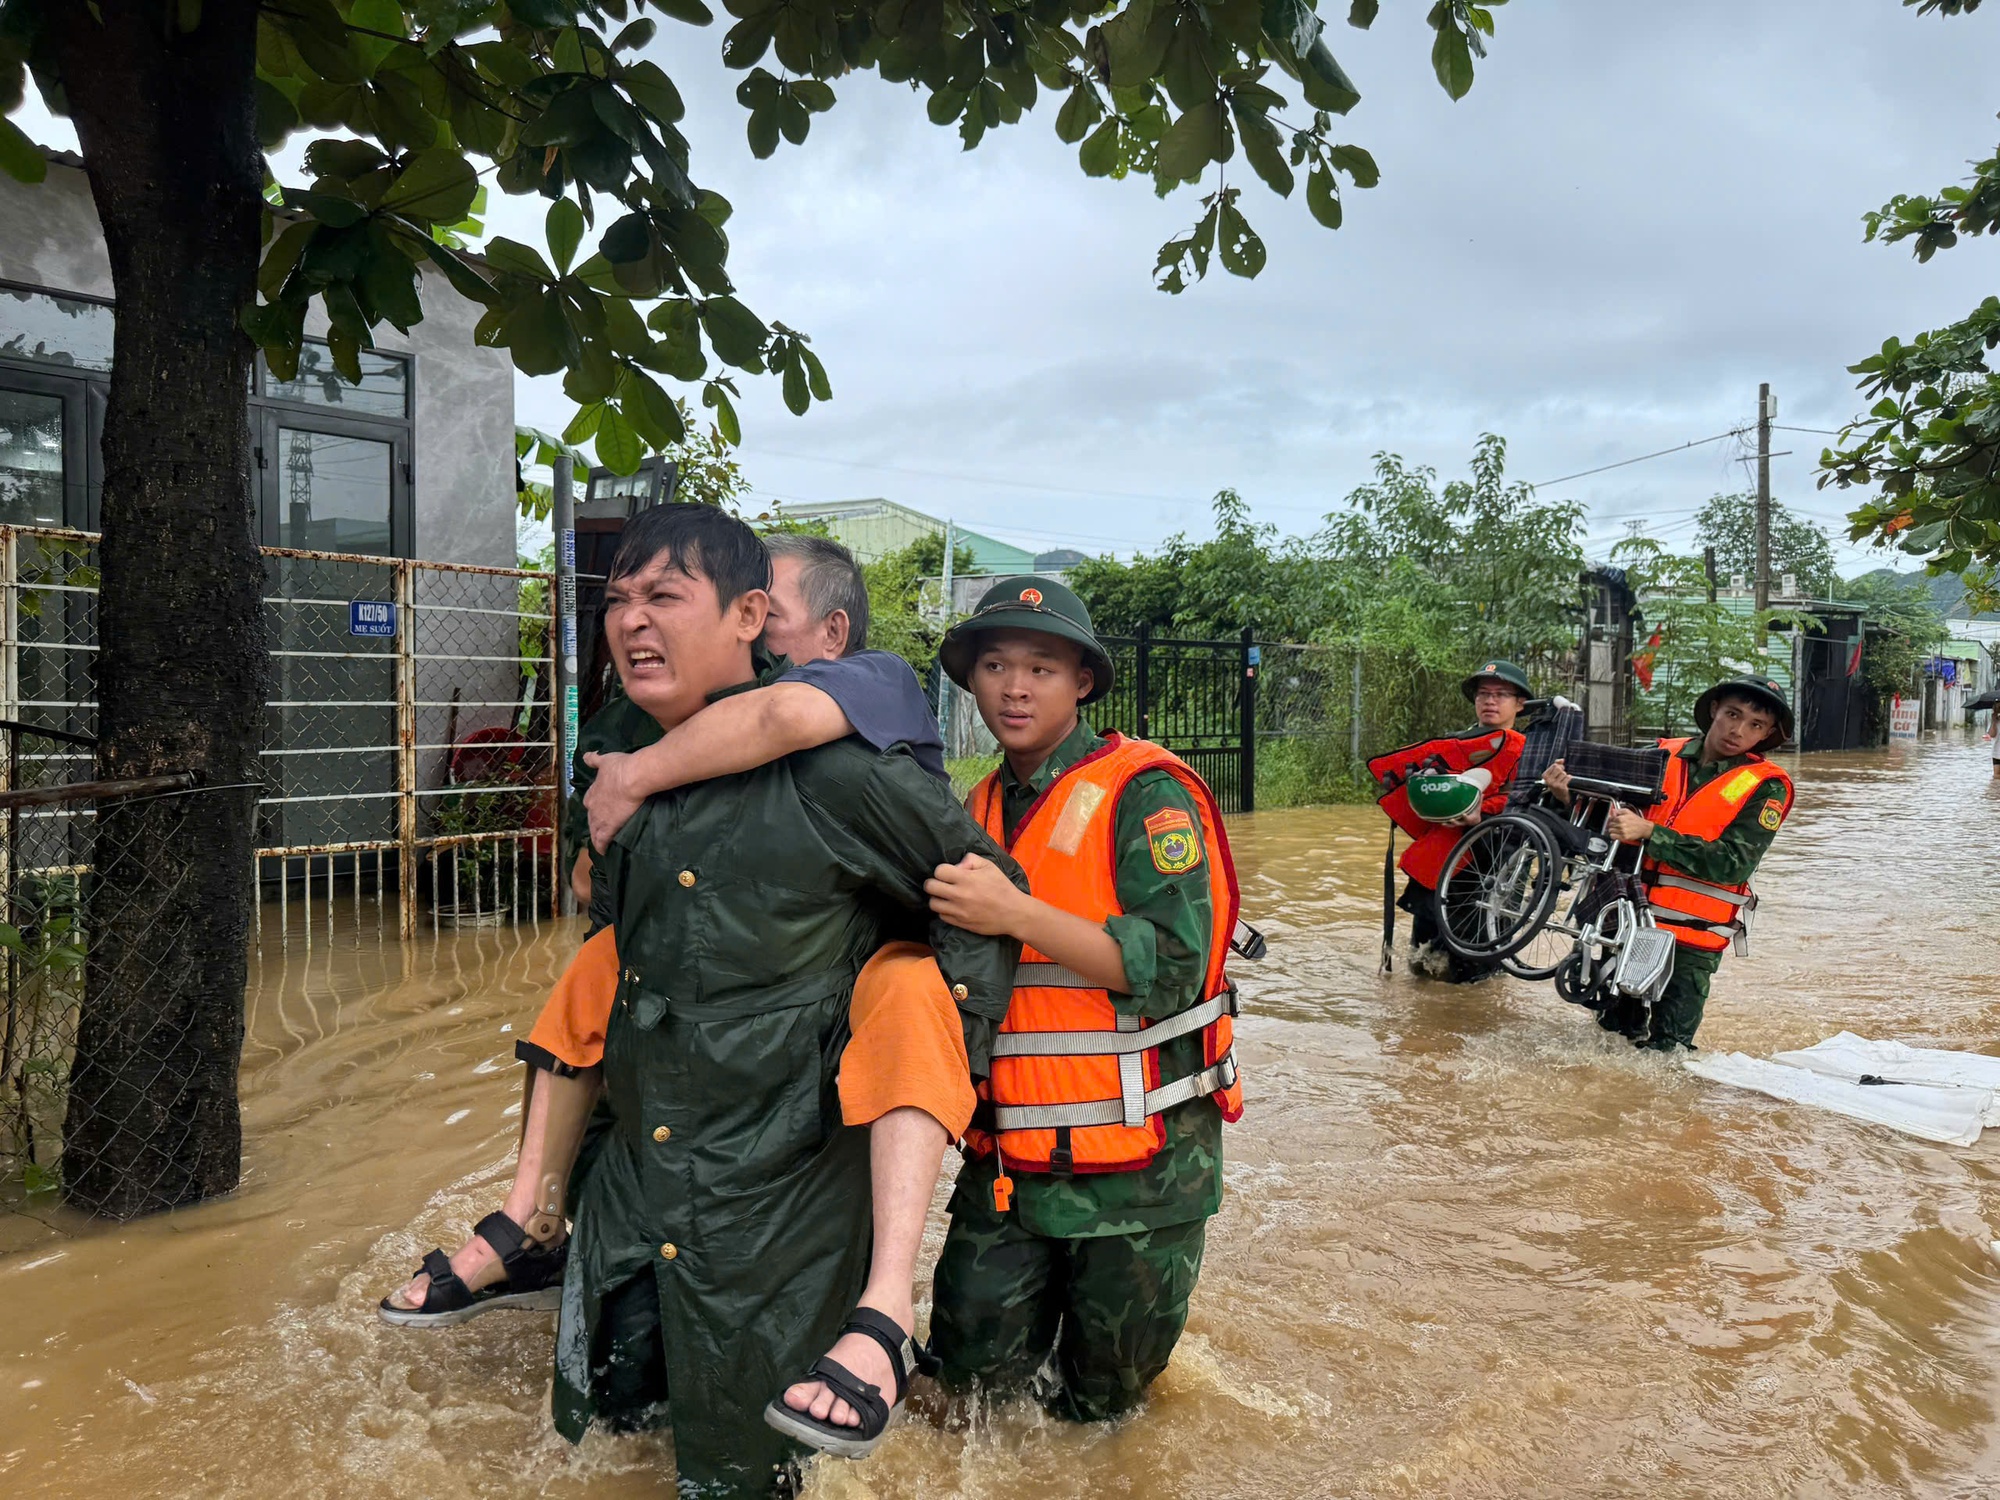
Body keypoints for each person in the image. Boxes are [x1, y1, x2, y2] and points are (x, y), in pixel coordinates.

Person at [388, 509, 1022, 1496]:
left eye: (664, 598)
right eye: (618, 601)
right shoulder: (617, 778)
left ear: (747, 617)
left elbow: (981, 900)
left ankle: (884, 1325)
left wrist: (938, 1054)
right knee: (601, 1443)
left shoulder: (840, 771)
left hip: (778, 1212)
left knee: (750, 1471)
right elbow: (625, 979)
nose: (632, 623)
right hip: (635, 1200)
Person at [918, 576, 1245, 1424]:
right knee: (966, 1403)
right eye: (995, 666)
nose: (1015, 688)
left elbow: (1175, 964)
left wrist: (1017, 913)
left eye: (1041, 669)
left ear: (1083, 683)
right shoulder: (979, 806)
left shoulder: (1147, 793)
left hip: (1140, 1177)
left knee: (1106, 1420)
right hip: (1009, 1171)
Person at [1544, 675, 1794, 1052]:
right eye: (1732, 714)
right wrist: (1567, 797)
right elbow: (1602, 825)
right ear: (1714, 710)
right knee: (1609, 1042)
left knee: (1668, 1056)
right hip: (1627, 921)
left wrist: (1651, 833)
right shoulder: (1658, 754)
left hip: (1692, 938)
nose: (1737, 730)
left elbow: (1733, 864)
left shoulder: (1767, 786)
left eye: (1755, 725)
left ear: (1767, 733)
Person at [1394, 660, 1532, 981]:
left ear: (1520, 703)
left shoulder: (1531, 751)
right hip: (1440, 870)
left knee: (1474, 979)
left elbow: (1526, 806)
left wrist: (1479, 814)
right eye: (1483, 694)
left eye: (1500, 694)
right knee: (1421, 968)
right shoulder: (1453, 746)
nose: (1490, 701)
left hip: (1493, 872)